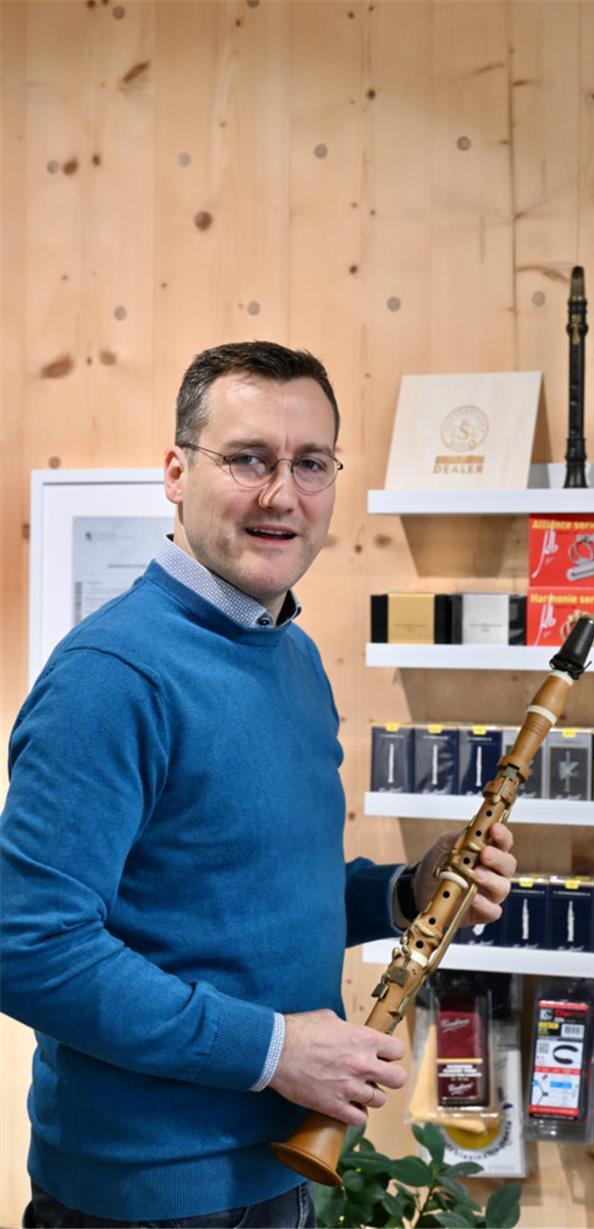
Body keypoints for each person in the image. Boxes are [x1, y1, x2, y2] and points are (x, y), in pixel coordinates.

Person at [1, 341, 516, 1229]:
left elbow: (247, 886)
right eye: (248, 459)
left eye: (310, 463)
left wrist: (401, 891)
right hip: (144, 1202)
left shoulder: (293, 654)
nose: (283, 495)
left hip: (284, 1175)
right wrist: (274, 1049)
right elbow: (27, 946)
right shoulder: (111, 674)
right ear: (175, 471)